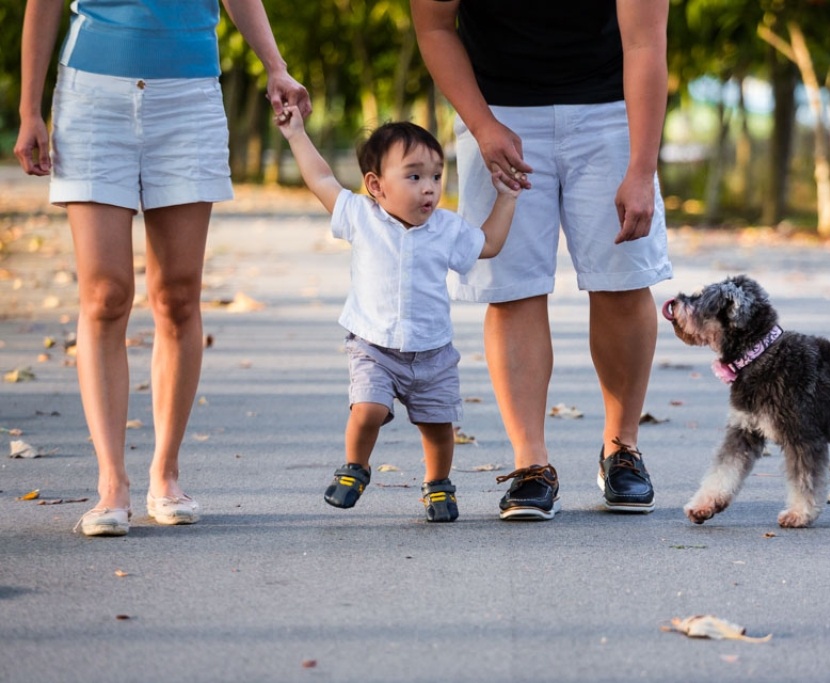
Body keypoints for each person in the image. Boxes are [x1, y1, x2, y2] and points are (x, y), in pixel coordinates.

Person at [14, 0, 311, 536]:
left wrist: (275, 66)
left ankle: (166, 473)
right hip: (93, 95)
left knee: (177, 296)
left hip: (190, 97)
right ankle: (111, 483)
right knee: (105, 294)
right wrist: (29, 108)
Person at [411, 0, 673, 520]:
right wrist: (482, 125)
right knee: (512, 288)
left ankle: (622, 449)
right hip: (498, 110)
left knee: (621, 280)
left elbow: (645, 40)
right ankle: (532, 464)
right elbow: (434, 26)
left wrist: (641, 167)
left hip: (611, 111)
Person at [274, 109, 520, 522]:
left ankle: (438, 484)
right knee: (367, 409)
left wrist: (507, 197)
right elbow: (320, 179)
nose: (429, 189)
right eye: (414, 176)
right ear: (376, 185)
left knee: (439, 428)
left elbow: (490, 243)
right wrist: (296, 132)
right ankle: (355, 467)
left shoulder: (447, 229)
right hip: (374, 347)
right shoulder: (361, 217)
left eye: (436, 177)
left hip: (433, 354)